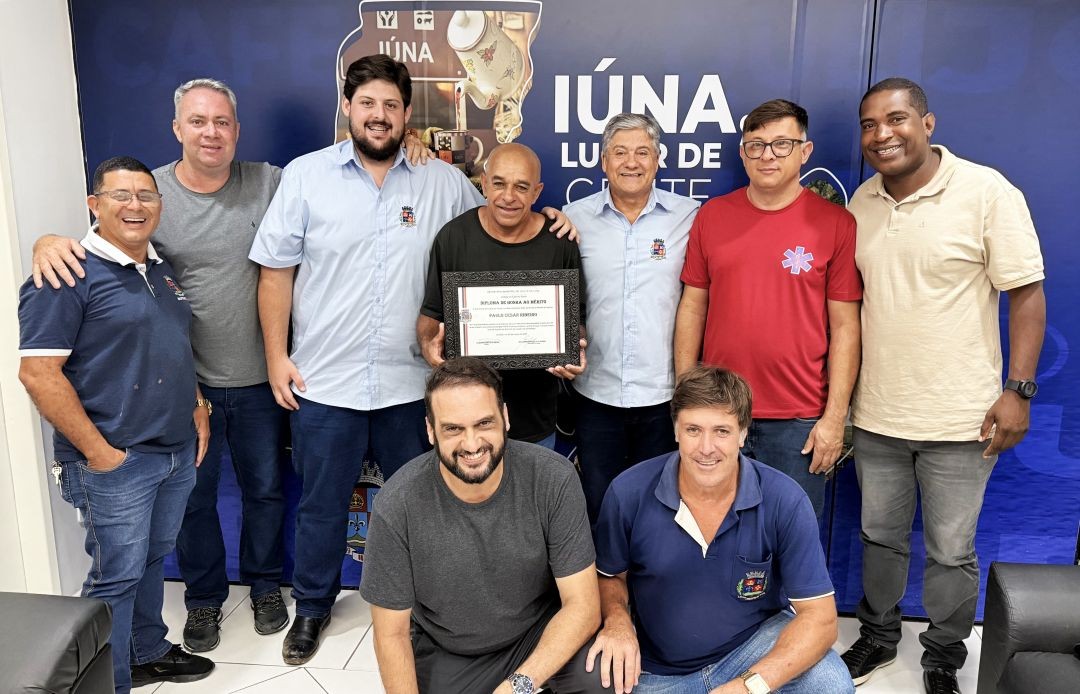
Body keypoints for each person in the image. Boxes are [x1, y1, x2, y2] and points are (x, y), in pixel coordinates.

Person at [248, 54, 575, 665]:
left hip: (412, 386)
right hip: (325, 379)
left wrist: (553, 219)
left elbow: (501, 215)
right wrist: (276, 356)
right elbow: (275, 272)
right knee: (320, 506)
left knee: (430, 509)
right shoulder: (305, 176)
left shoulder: (442, 181)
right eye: (367, 103)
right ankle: (314, 608)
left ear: (406, 116)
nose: (379, 116)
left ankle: (428, 612)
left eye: (392, 107)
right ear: (348, 107)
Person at [31, 78, 292, 653]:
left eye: (222, 122)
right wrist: (47, 240)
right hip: (185, 388)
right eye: (198, 121)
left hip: (258, 379)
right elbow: (97, 247)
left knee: (267, 490)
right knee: (193, 501)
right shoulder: (148, 194)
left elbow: (335, 188)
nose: (211, 132)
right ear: (177, 129)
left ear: (237, 130)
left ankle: (267, 587)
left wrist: (416, 150)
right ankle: (203, 601)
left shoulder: (269, 182)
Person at [839, 78, 1046, 694]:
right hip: (876, 415)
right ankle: (876, 639)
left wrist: (1020, 390)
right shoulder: (861, 203)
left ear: (927, 124)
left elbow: (1027, 295)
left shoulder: (986, 192)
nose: (883, 134)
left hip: (962, 419)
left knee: (952, 552)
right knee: (878, 537)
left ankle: (942, 657)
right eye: (870, 125)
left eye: (896, 119)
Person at [17, 157, 214, 693]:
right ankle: (106, 682)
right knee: (115, 578)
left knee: (150, 559)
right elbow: (38, 374)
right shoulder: (64, 274)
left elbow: (169, 345)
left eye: (146, 195)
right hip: (115, 461)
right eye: (120, 195)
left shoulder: (159, 269)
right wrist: (100, 454)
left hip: (172, 454)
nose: (135, 206)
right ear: (94, 204)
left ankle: (146, 649)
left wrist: (197, 401)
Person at [590, 366, 853, 694]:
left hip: (751, 648)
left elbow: (820, 618)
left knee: (830, 683)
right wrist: (617, 620)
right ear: (675, 430)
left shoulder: (784, 499)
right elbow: (608, 575)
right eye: (693, 430)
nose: (706, 448)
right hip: (657, 669)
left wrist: (749, 686)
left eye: (722, 431)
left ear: (744, 433)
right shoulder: (628, 491)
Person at [360, 357, 604, 694]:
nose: (472, 444)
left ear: (505, 418)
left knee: (600, 676)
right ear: (431, 430)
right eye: (453, 429)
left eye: (484, 423)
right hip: (452, 650)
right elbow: (391, 634)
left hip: (536, 632)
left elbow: (583, 606)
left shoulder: (552, 478)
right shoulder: (398, 503)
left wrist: (518, 685)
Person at [673, 99, 862, 520]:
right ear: (742, 153)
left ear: (805, 152)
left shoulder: (835, 224)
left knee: (792, 547)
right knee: (715, 536)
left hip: (798, 422)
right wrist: (687, 394)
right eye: (755, 145)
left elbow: (846, 327)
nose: (768, 156)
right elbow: (692, 309)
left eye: (781, 144)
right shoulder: (713, 216)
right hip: (718, 413)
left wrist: (834, 419)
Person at [562, 112, 699, 524]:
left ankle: (649, 588)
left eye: (643, 152)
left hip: (663, 396)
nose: (631, 162)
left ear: (658, 160)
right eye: (619, 152)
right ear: (604, 162)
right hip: (595, 394)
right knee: (600, 505)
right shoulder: (572, 218)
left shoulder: (690, 217)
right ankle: (604, 586)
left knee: (660, 510)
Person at [417, 142, 586, 449]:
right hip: (466, 421)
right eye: (499, 184)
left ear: (537, 192)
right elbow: (431, 316)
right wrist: (432, 350)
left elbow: (577, 321)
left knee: (533, 497)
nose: (509, 197)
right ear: (484, 183)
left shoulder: (559, 241)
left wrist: (574, 351)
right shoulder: (453, 237)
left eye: (522, 187)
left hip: (535, 419)